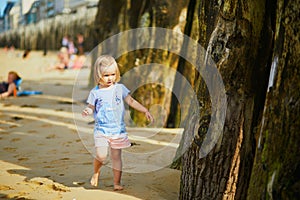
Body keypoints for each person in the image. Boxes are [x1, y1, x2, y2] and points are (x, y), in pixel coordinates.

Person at [82, 55, 154, 191]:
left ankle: (116, 182)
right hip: (101, 130)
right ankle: (96, 172)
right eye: (106, 75)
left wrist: (145, 110)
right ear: (98, 75)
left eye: (113, 74)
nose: (110, 78)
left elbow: (131, 101)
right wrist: (87, 110)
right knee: (101, 155)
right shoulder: (95, 92)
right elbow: (91, 107)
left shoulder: (120, 88)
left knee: (116, 157)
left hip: (118, 131)